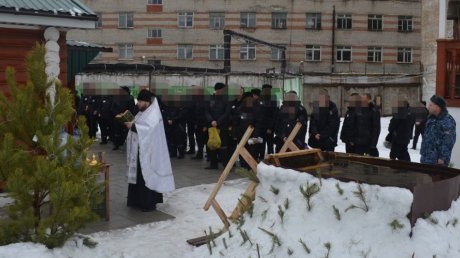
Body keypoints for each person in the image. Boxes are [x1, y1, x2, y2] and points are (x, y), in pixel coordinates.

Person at [124, 89, 175, 212]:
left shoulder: (153, 113)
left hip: (150, 152)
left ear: (147, 102)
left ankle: (148, 203)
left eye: (140, 101)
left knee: (146, 176)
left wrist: (133, 126)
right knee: (138, 176)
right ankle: (135, 200)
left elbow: (148, 129)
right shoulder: (142, 112)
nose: (138, 104)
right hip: (140, 149)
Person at [420, 95, 456, 166]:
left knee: (435, 177)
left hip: (437, 161)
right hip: (426, 158)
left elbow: (448, 141)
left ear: (437, 107)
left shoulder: (447, 121)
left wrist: (442, 158)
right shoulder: (431, 118)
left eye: (430, 105)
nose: (428, 107)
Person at [204, 82, 231, 169]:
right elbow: (206, 111)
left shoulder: (226, 99)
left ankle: (225, 164)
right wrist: (211, 121)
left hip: (222, 126)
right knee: (213, 144)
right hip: (212, 126)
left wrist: (218, 122)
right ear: (218, 90)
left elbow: (226, 113)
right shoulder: (210, 99)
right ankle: (213, 164)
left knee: (223, 145)